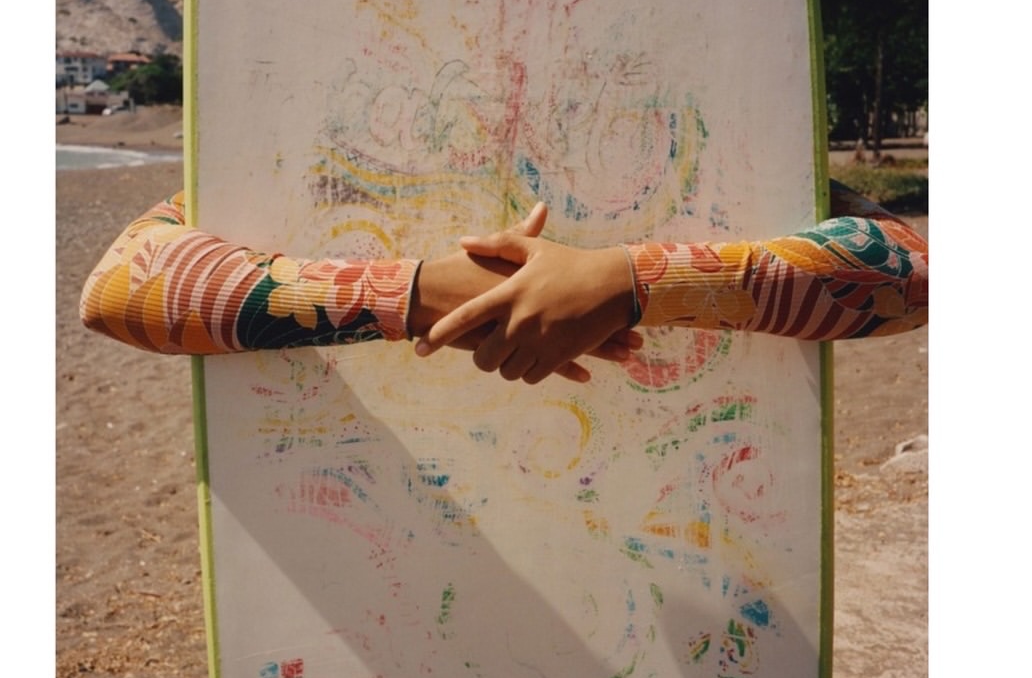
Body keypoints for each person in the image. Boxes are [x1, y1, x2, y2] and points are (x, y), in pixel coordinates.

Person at [81, 180, 926, 383]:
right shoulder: (291, 136)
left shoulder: (726, 86)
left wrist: (624, 281)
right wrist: (419, 293)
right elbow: (120, 291)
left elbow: (910, 275)